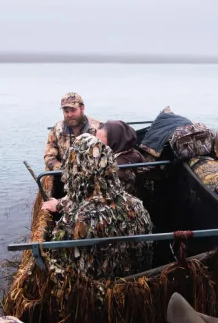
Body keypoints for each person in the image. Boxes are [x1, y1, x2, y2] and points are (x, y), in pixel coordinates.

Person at [42, 134, 153, 279]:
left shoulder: (75, 221)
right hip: (138, 283)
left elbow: (63, 269)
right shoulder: (137, 205)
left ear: (73, 173)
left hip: (99, 292)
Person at [44, 92, 102, 171]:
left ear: (82, 108)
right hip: (62, 174)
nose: (70, 115)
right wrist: (65, 170)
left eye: (73, 110)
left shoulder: (98, 129)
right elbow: (49, 156)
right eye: (66, 111)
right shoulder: (57, 130)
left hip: (91, 173)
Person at [96, 120, 145, 194]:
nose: (96, 145)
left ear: (114, 140)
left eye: (100, 141)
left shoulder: (119, 166)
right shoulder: (133, 152)